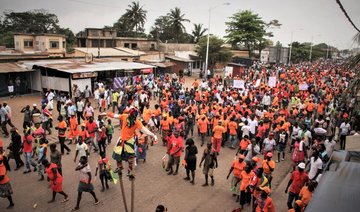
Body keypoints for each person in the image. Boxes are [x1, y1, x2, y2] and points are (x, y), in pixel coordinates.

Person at [108, 107, 157, 178]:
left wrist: (153, 135)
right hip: (121, 139)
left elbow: (144, 130)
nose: (133, 118)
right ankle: (119, 167)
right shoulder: (124, 116)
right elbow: (115, 116)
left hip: (129, 141)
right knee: (117, 154)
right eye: (132, 116)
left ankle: (130, 171)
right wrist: (107, 113)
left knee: (131, 157)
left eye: (135, 117)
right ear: (129, 114)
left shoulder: (137, 122)